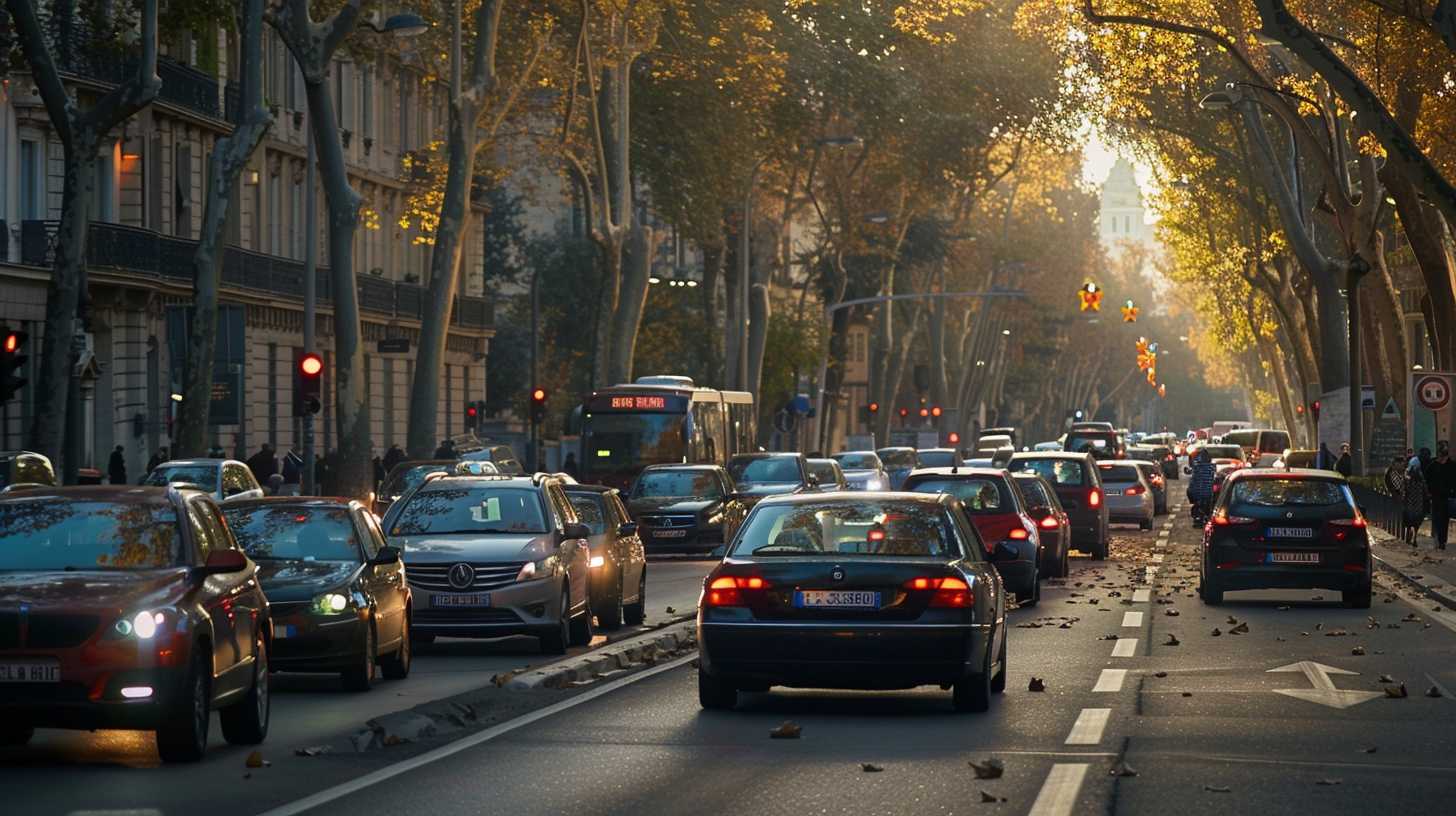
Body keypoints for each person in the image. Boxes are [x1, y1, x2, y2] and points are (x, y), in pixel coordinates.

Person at [1424, 441, 1456, 550]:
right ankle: (1437, 539)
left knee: (1444, 520)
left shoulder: (1452, 466)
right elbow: (1426, 480)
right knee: (1437, 519)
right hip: (1436, 496)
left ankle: (1442, 541)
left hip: (1447, 497)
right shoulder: (1433, 466)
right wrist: (1429, 492)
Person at [1401, 457, 1426, 546]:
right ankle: (1414, 537)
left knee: (1408, 520)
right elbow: (1424, 489)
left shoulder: (1407, 476)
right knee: (1416, 522)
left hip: (1409, 502)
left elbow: (1403, 488)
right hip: (1418, 502)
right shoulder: (1420, 476)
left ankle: (1408, 535)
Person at [1187, 446, 1216, 515]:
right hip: (1209, 493)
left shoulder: (1196, 466)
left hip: (1196, 493)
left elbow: (1192, 476)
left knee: (1189, 491)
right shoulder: (1212, 467)